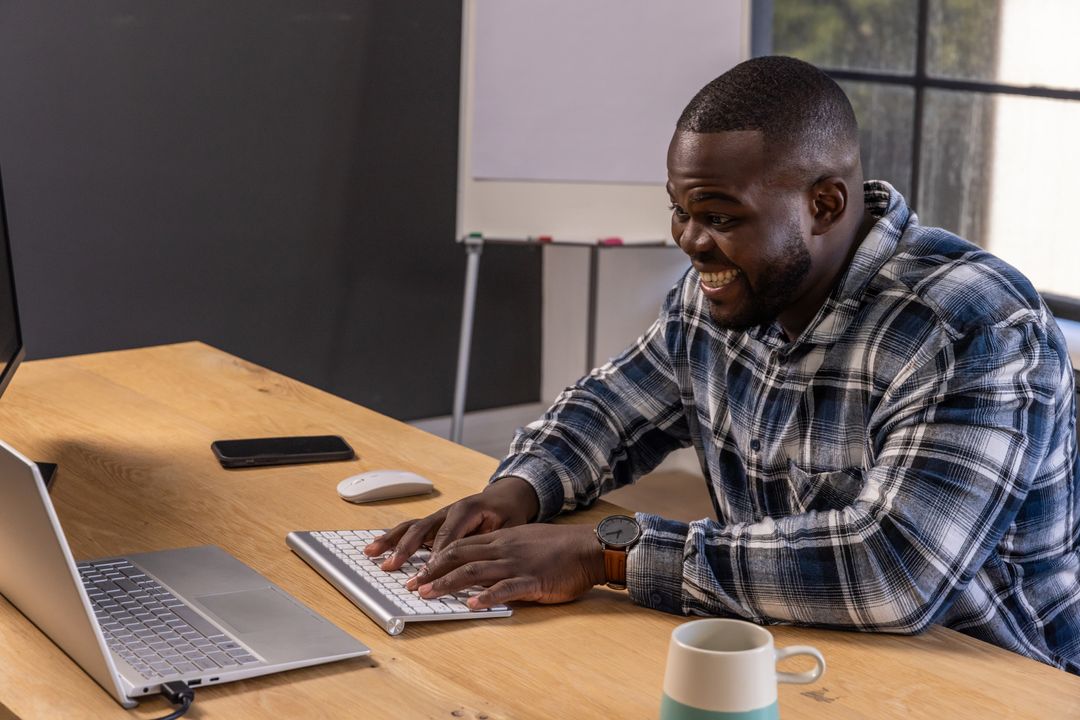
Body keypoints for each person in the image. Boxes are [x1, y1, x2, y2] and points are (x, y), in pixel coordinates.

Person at [367, 56, 1080, 673]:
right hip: (798, 652)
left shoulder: (975, 325)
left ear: (824, 204)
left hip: (990, 679)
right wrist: (515, 492)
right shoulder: (725, 292)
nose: (689, 241)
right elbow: (611, 408)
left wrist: (608, 552)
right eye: (678, 209)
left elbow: (889, 567)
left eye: (720, 216)